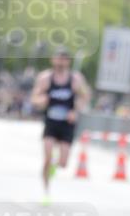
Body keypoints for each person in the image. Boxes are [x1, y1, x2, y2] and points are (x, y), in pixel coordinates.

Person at [31, 49, 91, 194]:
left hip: (67, 123)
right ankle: (46, 190)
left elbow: (85, 96)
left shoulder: (75, 79)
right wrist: (42, 100)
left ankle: (54, 164)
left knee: (63, 164)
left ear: (68, 62)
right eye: (58, 59)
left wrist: (75, 111)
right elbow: (34, 98)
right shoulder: (45, 78)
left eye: (64, 59)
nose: (61, 62)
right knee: (47, 157)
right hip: (51, 122)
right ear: (53, 60)